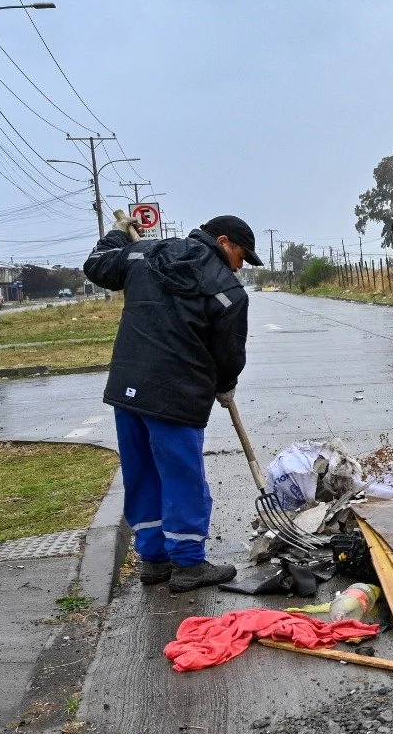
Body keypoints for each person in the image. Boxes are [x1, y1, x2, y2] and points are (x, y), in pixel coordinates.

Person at [83, 215, 260, 592]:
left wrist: (118, 234)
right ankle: (188, 564)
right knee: (183, 476)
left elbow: (97, 264)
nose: (240, 266)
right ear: (223, 240)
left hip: (128, 385)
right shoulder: (227, 290)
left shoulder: (144, 254)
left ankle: (153, 560)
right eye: (241, 255)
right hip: (177, 393)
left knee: (142, 471)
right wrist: (226, 385)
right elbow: (229, 352)